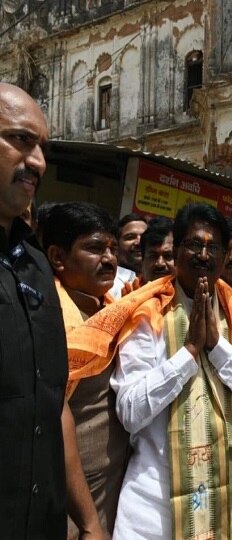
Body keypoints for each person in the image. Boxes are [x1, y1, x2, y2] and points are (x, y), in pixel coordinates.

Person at [111, 202, 232, 539]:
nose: (203, 254)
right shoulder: (146, 314)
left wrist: (217, 346)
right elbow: (130, 411)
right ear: (177, 250)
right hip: (154, 509)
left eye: (212, 247)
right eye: (193, 244)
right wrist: (189, 352)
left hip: (226, 503)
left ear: (225, 254)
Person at [0, 82, 104, 539]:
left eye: (42, 146)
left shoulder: (35, 265)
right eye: (21, 140)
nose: (39, 162)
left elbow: (53, 402)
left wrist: (88, 520)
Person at [43, 202, 130, 537]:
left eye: (112, 248)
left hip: (111, 492)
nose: (109, 259)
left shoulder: (119, 314)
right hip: (65, 503)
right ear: (57, 256)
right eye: (95, 248)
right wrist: (88, 522)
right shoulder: (47, 323)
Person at [109, 213, 147, 298]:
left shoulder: (160, 282)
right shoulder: (106, 283)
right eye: (130, 237)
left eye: (144, 237)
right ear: (116, 246)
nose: (139, 242)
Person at [140, 216, 175, 284]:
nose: (160, 263)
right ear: (142, 261)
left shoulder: (195, 293)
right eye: (153, 256)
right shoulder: (128, 293)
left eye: (168, 256)